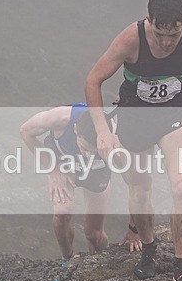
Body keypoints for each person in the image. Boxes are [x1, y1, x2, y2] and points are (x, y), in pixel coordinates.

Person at [85, 0, 182, 281]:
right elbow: (93, 80)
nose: (167, 42)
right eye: (159, 34)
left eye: (174, 35)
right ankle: (148, 248)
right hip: (134, 121)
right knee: (140, 190)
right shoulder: (130, 40)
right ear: (148, 21)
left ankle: (181, 267)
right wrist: (103, 131)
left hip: (173, 118)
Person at [20, 103, 141, 265]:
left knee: (93, 234)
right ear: (76, 129)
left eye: (94, 151)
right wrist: (53, 170)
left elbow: (137, 187)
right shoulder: (61, 118)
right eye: (84, 148)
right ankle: (67, 260)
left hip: (97, 170)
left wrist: (135, 229)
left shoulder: (118, 140)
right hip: (63, 163)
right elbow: (25, 131)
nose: (88, 155)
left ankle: (98, 261)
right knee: (62, 214)